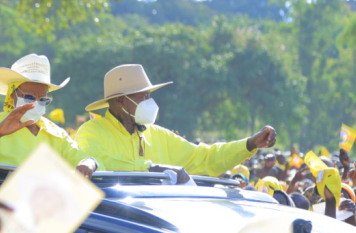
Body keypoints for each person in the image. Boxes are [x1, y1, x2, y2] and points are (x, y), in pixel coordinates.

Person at [75, 64, 277, 183]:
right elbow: (99, 162)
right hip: (116, 230)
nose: (149, 101)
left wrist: (249, 144)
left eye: (149, 95)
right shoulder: (91, 131)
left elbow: (204, 158)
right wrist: (152, 169)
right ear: (121, 101)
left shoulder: (158, 135)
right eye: (143, 96)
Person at [0, 54, 98, 179]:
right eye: (29, 97)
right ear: (12, 96)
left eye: (43, 99)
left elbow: (86, 161)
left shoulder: (56, 133)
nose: (35, 104)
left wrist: (90, 162)